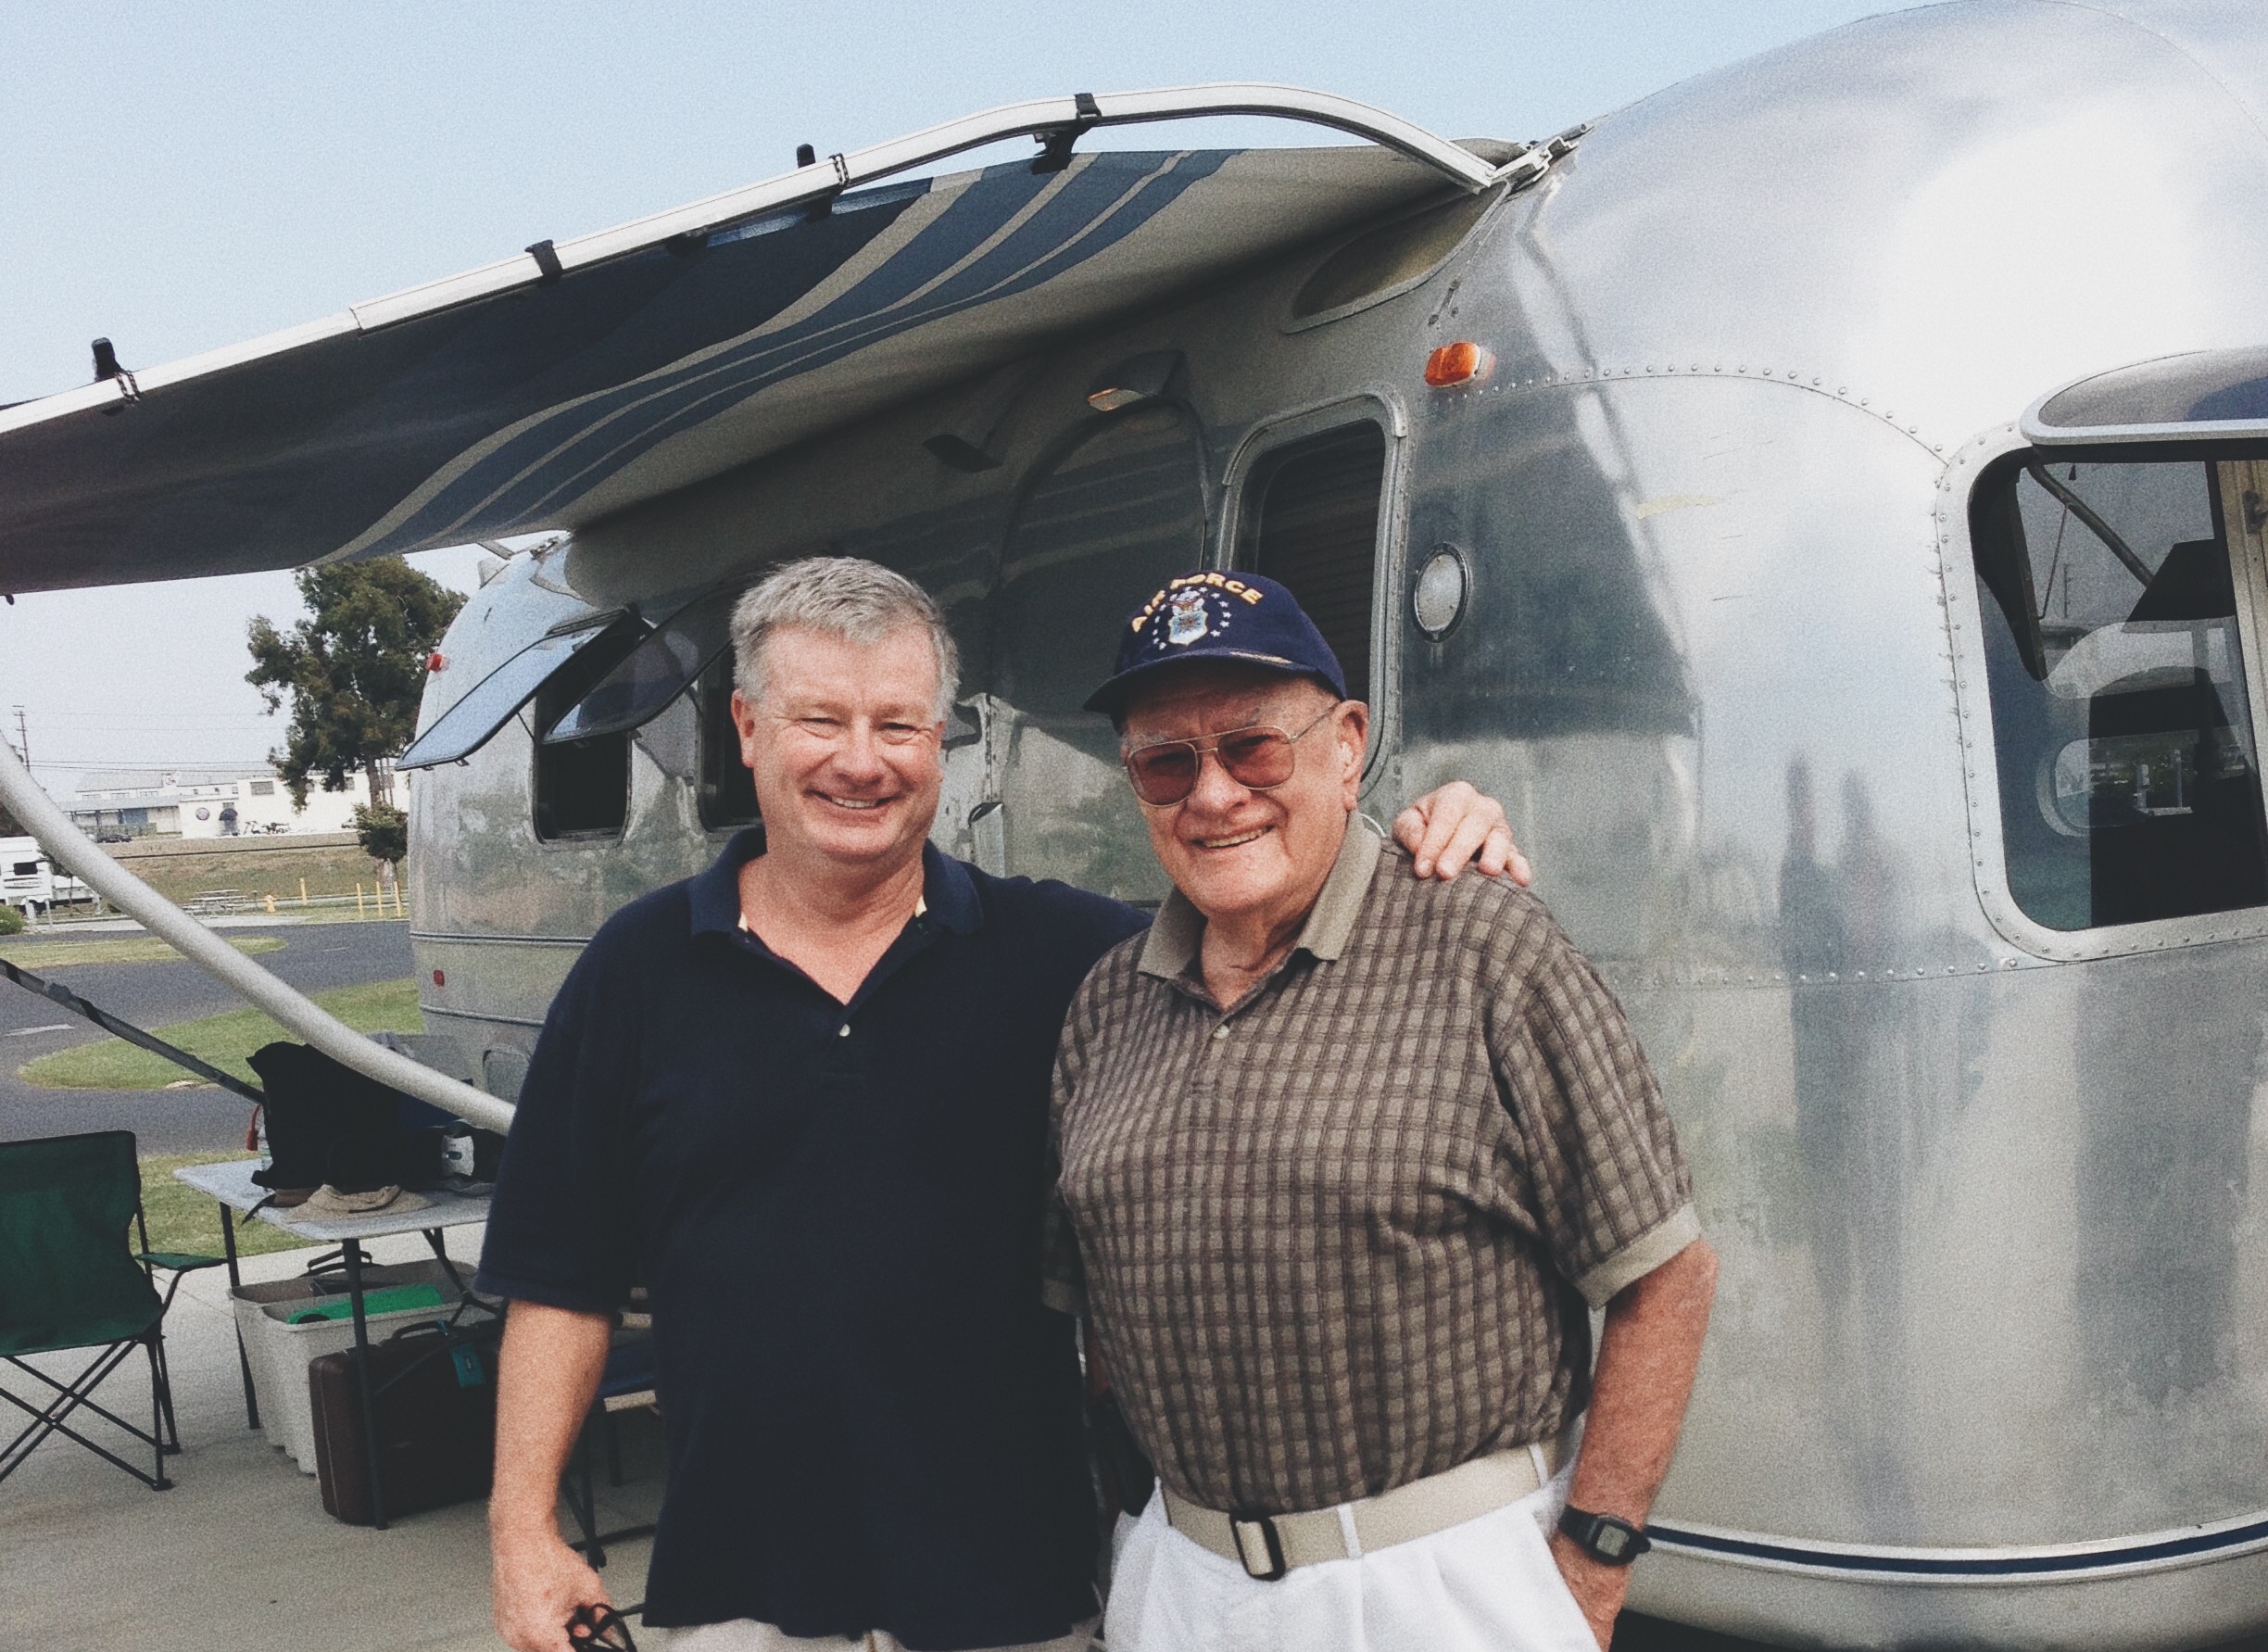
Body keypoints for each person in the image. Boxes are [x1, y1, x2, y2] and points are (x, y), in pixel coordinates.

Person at [478, 557, 1528, 1652]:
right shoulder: (637, 971)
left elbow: (1263, 904)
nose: (860, 761)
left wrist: (1421, 842)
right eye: (820, 720)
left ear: (943, 744)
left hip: (1018, 1595)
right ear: (748, 727)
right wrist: (520, 1527)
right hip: (742, 1594)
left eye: (898, 724)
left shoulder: (1073, 958)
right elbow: (562, 1277)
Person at [1047, 571, 1717, 1652]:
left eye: (1253, 746)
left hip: (1441, 1589)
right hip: (1184, 1587)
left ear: (1347, 741)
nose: (1212, 795)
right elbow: (1099, 1329)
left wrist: (1587, 1576)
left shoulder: (1482, 944)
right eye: (1167, 760)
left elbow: (1663, 1273)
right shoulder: (1107, 1003)